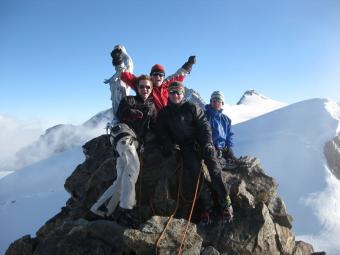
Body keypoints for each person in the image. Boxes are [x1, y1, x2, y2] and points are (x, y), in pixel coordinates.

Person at [157, 81, 233, 224]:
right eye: (172, 92)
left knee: (214, 168)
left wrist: (208, 143)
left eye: (178, 92)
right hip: (185, 146)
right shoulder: (164, 114)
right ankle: (206, 207)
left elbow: (204, 125)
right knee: (195, 173)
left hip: (201, 142)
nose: (175, 95)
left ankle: (225, 203)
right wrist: (169, 145)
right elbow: (162, 133)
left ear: (183, 94)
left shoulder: (191, 107)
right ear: (168, 94)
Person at [91, 75, 156, 227]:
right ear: (137, 88)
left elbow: (154, 126)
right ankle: (126, 209)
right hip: (123, 135)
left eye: (148, 87)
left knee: (122, 178)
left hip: (131, 142)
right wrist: (133, 113)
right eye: (141, 87)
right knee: (133, 167)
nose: (145, 89)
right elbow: (122, 113)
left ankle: (101, 209)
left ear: (151, 89)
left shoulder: (152, 107)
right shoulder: (129, 100)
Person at [114, 54, 196, 112]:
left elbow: (178, 76)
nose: (158, 77)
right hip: (154, 125)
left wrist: (189, 64)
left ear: (163, 77)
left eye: (161, 75)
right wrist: (119, 63)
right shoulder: (146, 87)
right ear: (151, 76)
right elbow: (128, 77)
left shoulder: (167, 85)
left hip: (169, 120)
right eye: (155, 74)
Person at [103, 44, 134, 125]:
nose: (117, 52)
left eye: (118, 50)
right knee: (115, 101)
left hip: (122, 84)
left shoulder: (127, 58)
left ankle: (121, 119)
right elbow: (117, 72)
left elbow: (127, 72)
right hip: (117, 83)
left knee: (121, 101)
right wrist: (110, 79)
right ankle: (117, 118)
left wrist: (120, 66)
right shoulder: (119, 58)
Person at [205, 91, 235, 160]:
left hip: (223, 148)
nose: (216, 103)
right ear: (211, 102)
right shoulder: (204, 116)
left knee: (235, 163)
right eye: (214, 101)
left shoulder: (226, 119)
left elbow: (229, 135)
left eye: (219, 101)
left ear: (222, 103)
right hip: (210, 148)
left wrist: (229, 147)